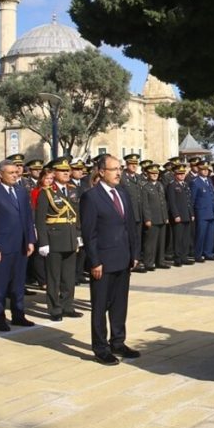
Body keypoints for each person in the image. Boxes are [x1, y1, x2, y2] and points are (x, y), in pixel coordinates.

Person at [80, 154, 141, 365]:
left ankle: (118, 342)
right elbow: (89, 234)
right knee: (100, 306)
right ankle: (100, 347)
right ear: (101, 172)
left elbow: (130, 226)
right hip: (103, 262)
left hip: (123, 259)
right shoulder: (91, 197)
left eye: (120, 169)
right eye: (114, 169)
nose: (118, 173)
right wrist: (94, 261)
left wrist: (134, 254)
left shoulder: (123, 194)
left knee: (119, 304)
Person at [0, 159, 36, 331]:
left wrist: (30, 239)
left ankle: (18, 313)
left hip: (21, 244)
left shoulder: (21, 191)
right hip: (3, 245)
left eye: (16, 172)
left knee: (18, 282)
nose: (15, 175)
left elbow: (28, 217)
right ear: (0, 174)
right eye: (11, 173)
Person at [36, 156, 83, 322]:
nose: (66, 173)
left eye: (67, 171)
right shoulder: (46, 192)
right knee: (54, 277)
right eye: (62, 171)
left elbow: (77, 215)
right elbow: (40, 220)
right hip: (54, 238)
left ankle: (67, 306)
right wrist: (43, 242)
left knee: (69, 277)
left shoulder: (72, 190)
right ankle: (54, 308)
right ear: (54, 173)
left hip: (70, 237)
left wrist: (78, 235)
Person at [139, 162, 170, 270]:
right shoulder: (145, 187)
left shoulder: (160, 185)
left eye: (156, 173)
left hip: (161, 217)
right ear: (147, 174)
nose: (154, 175)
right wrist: (147, 219)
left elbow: (163, 202)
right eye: (152, 173)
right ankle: (149, 262)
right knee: (150, 243)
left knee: (161, 242)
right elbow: (145, 205)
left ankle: (160, 261)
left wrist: (165, 216)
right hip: (152, 218)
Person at [166, 163, 194, 266]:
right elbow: (171, 202)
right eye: (179, 174)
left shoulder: (185, 185)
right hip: (178, 216)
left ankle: (184, 256)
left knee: (186, 238)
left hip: (186, 215)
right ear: (175, 174)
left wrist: (191, 213)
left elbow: (188, 201)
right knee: (178, 238)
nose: (182, 175)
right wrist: (175, 215)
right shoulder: (172, 185)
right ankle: (177, 258)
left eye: (183, 174)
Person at [191, 162, 214, 263]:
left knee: (210, 235)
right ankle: (198, 255)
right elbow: (192, 200)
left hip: (210, 212)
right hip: (201, 213)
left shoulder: (209, 181)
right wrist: (192, 213)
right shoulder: (195, 182)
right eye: (203, 169)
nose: (206, 171)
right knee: (200, 235)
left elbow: (212, 197)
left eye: (207, 169)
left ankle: (208, 253)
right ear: (199, 170)